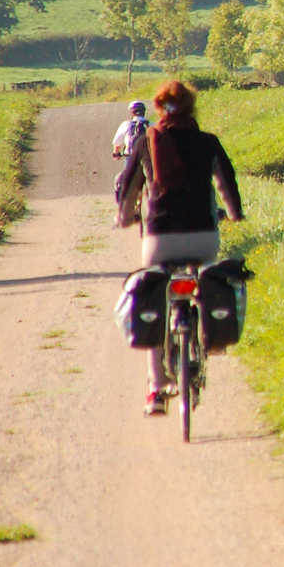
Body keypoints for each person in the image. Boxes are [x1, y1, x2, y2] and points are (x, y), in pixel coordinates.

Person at [115, 80, 243, 416]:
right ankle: (205, 331)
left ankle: (156, 390)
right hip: (203, 235)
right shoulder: (207, 142)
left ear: (158, 108)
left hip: (160, 237)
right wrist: (234, 213)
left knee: (156, 292)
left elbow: (129, 188)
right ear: (192, 107)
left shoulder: (147, 141)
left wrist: (125, 217)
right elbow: (226, 182)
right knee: (204, 276)